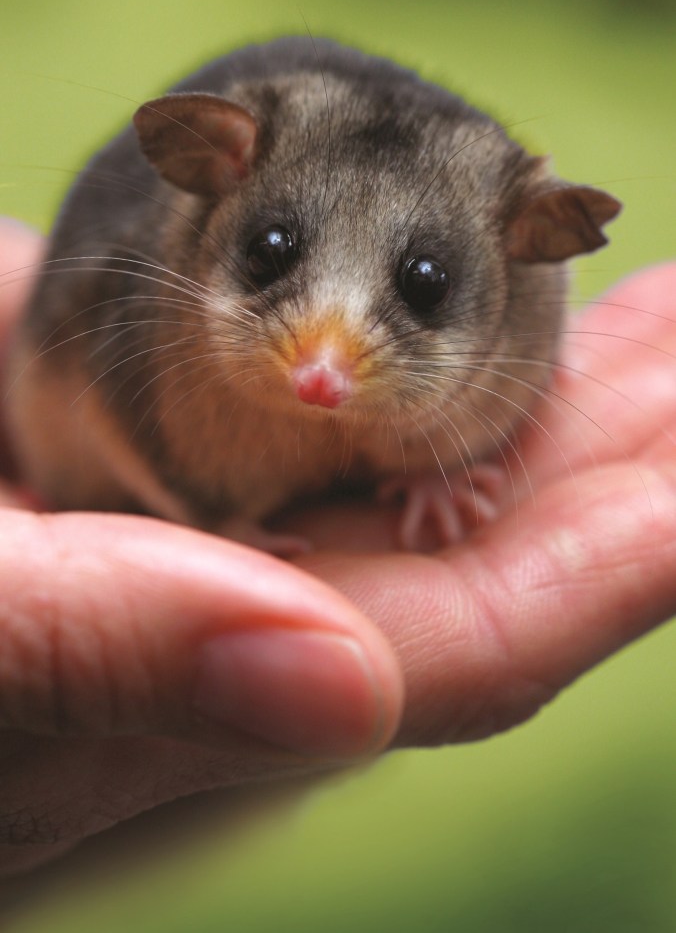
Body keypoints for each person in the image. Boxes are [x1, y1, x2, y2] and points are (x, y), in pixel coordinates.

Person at [1, 216, 675, 881]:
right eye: (273, 254)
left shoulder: (517, 285)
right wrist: (208, 516)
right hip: (97, 459)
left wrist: (438, 466)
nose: (320, 373)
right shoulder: (160, 295)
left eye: (424, 284)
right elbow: (111, 394)